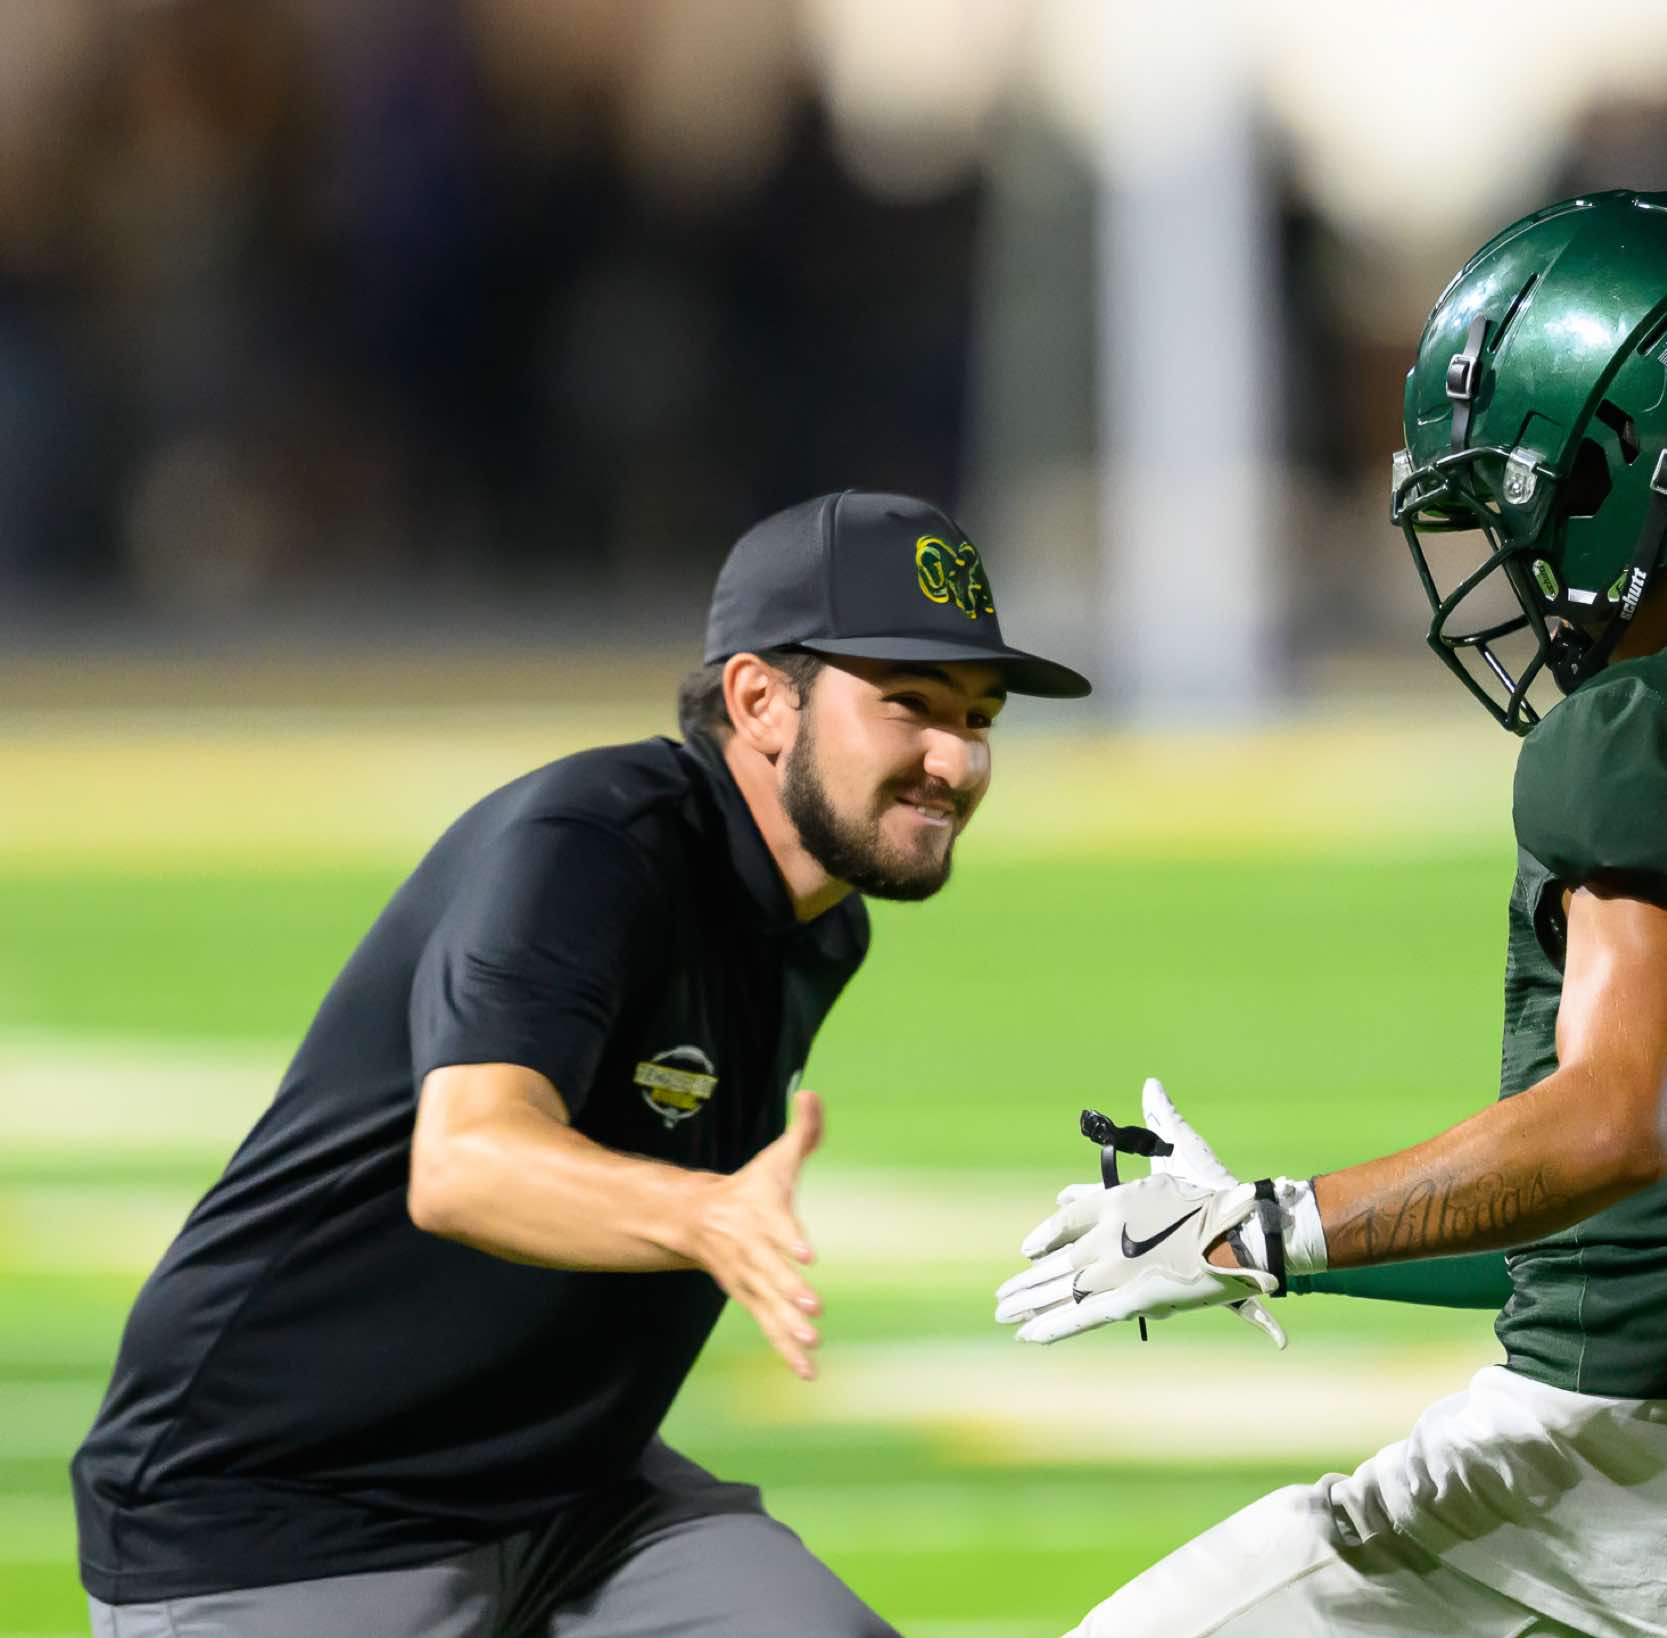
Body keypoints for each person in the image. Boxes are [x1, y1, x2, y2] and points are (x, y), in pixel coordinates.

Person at [996, 191, 1667, 1638]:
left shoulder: (1650, 728)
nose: (1510, 553)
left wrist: (1267, 1229)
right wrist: (1273, 1228)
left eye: (1519, 499)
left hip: (1611, 1482)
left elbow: (1610, 1129)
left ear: (1619, 467)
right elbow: (1638, 1219)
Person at [74, 489, 1089, 1637]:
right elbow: (464, 1167)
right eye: (909, 705)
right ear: (760, 701)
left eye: (980, 717)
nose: (956, 760)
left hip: (574, 1493)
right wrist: (704, 1213)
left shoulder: (820, 924)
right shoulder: (593, 845)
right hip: (290, 1510)